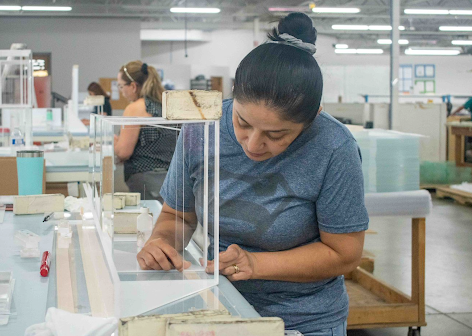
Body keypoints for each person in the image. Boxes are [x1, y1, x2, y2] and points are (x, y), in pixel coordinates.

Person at [137, 13, 369, 336]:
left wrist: (257, 264)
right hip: (218, 308)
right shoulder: (202, 129)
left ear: (312, 118)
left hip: (303, 321)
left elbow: (345, 254)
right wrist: (161, 243)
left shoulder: (334, 148)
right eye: (243, 123)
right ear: (234, 93)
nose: (253, 144)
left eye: (276, 135)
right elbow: (178, 215)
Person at [114, 61, 175, 201]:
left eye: (121, 86)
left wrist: (115, 141)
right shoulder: (167, 104)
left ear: (134, 86)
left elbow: (124, 152)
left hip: (146, 179)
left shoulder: (135, 108)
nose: (121, 91)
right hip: (173, 178)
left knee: (149, 220)